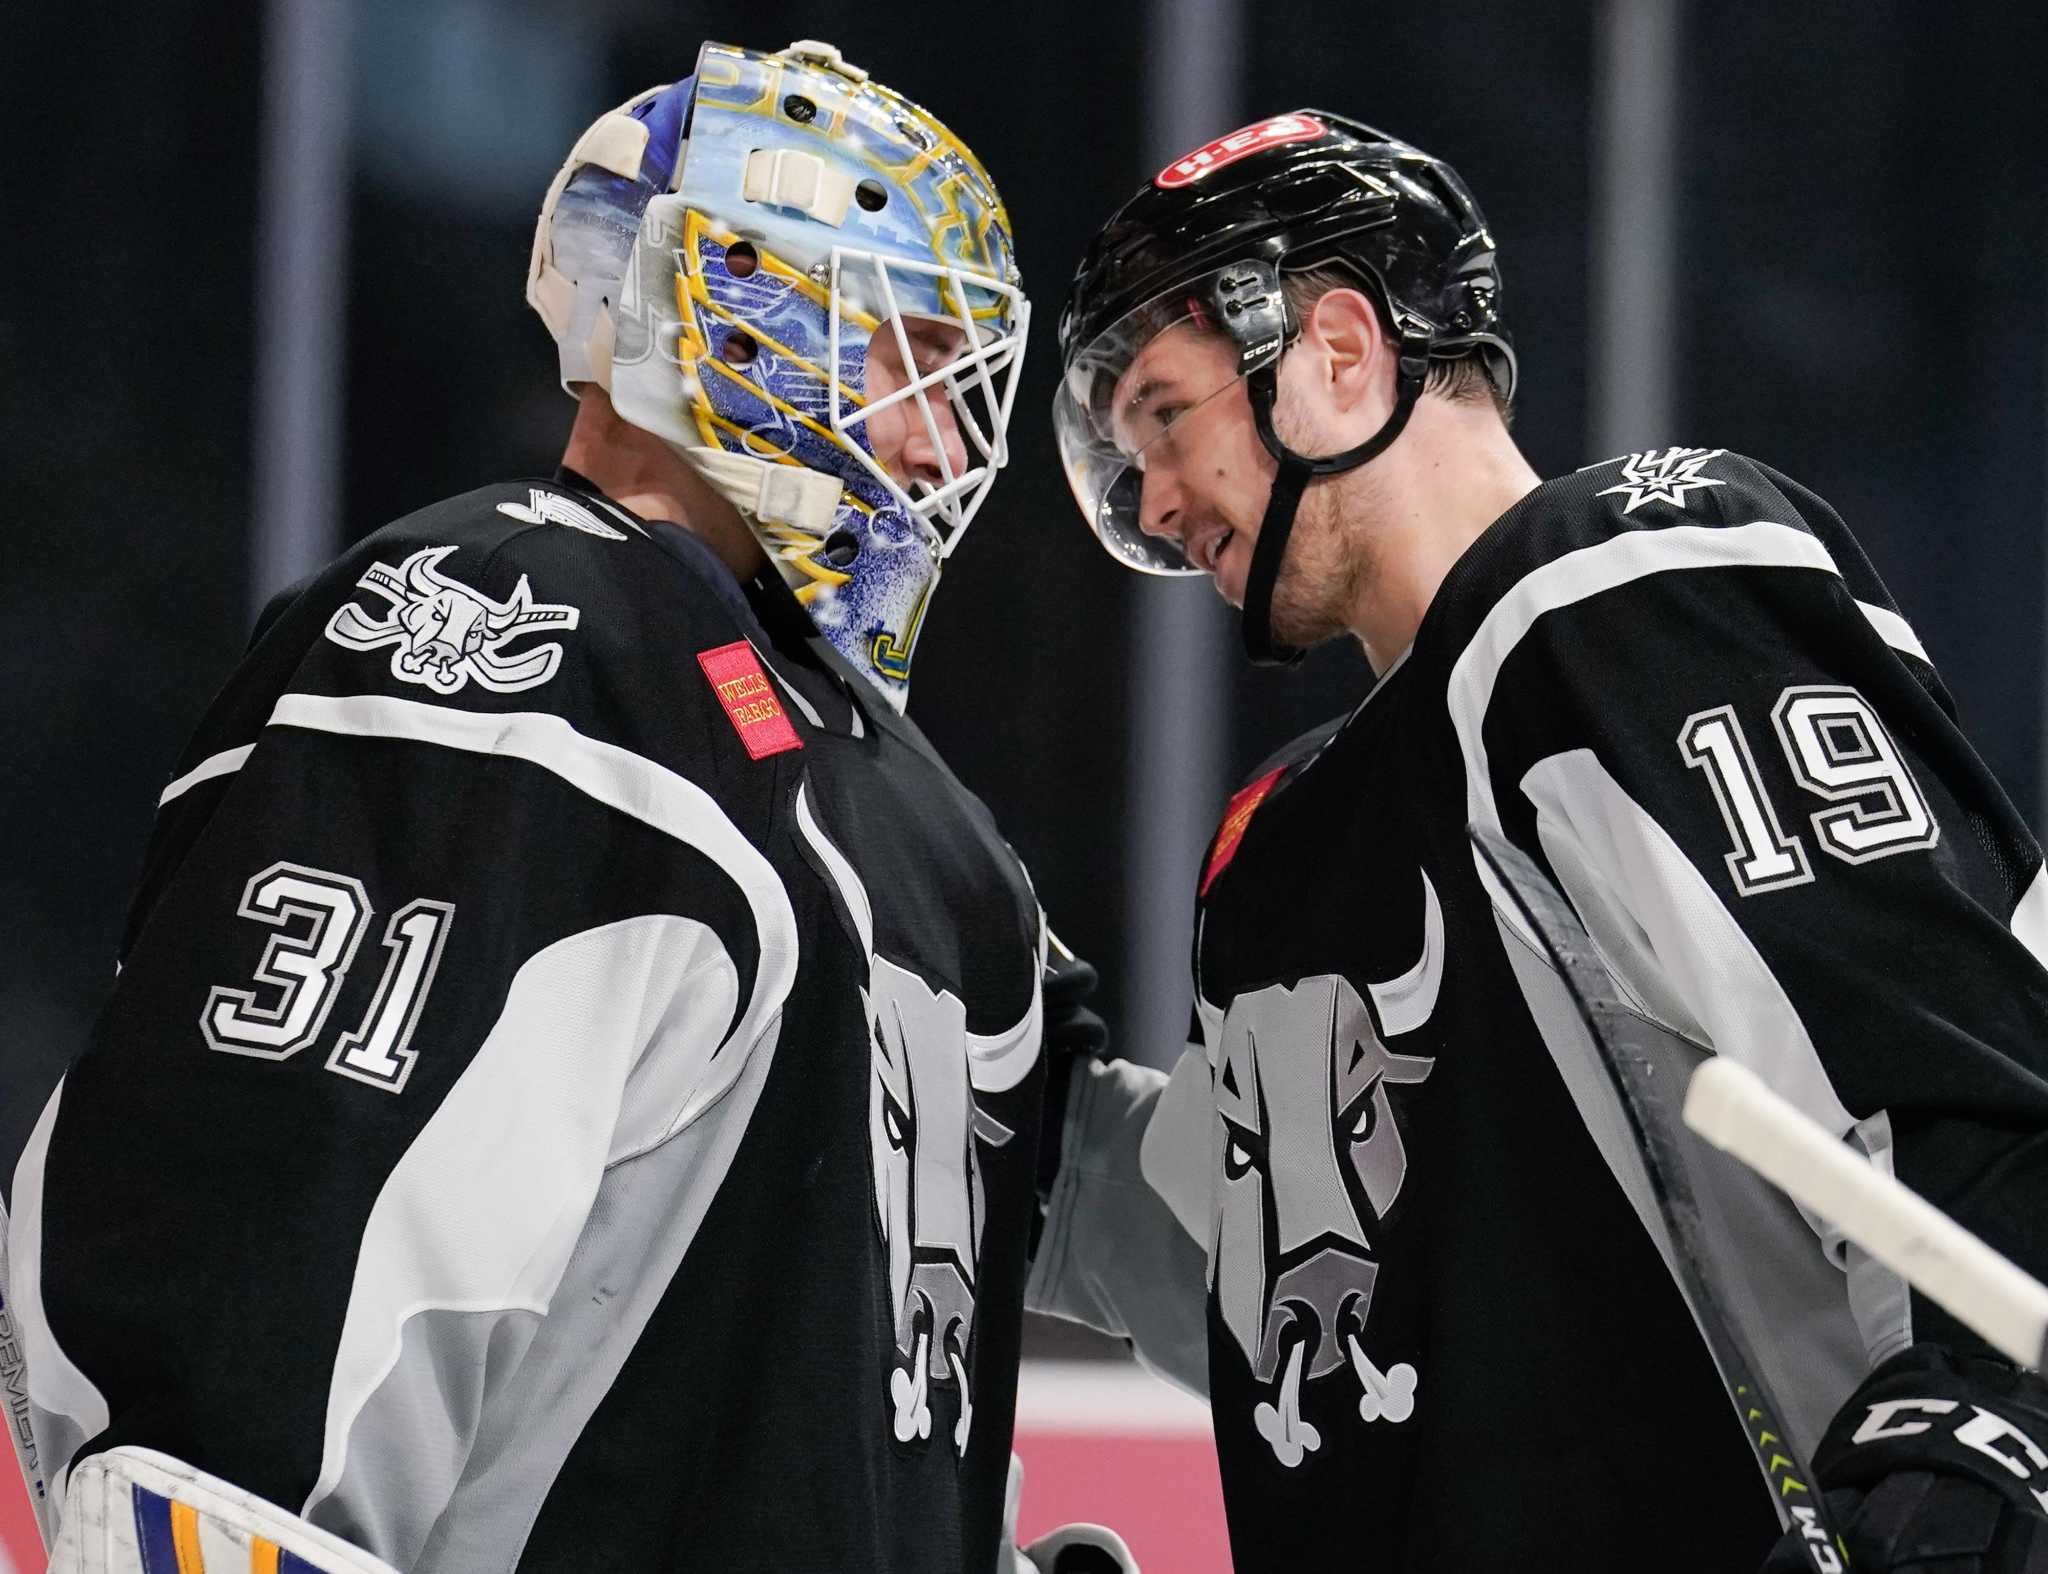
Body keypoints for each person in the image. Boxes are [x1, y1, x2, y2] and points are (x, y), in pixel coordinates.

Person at [4, 38, 1118, 1573]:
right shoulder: (513, 625)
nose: (941, 440)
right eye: (902, 355)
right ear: (733, 304)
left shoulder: (928, 824)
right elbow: (266, 1280)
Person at [1044, 110, 2048, 1570]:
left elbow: (1960, 1083)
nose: (1151, 498)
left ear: (1336, 351)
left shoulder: (1610, 589)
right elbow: (1284, 1304)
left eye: (1167, 415)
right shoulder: (1278, 846)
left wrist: (1965, 1465)